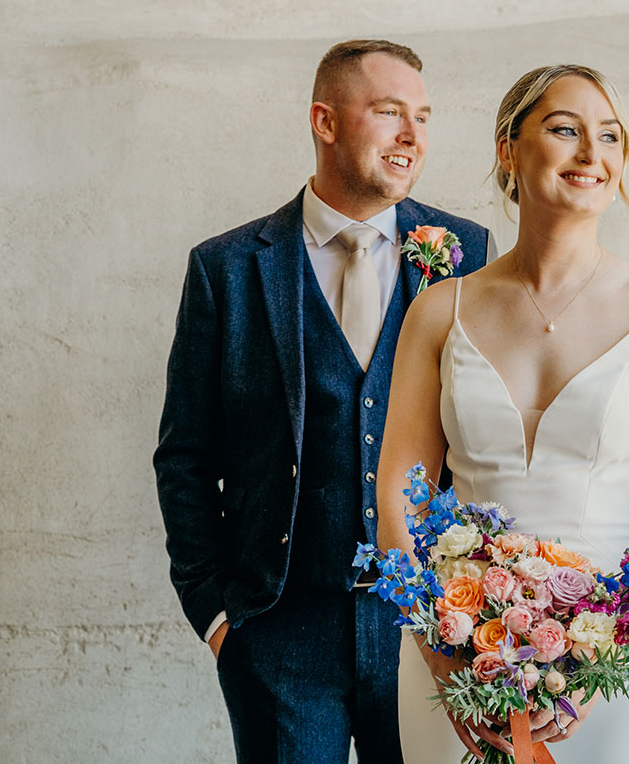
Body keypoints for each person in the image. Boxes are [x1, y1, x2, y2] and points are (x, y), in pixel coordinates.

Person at [375, 64, 629, 762]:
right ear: (509, 149)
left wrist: (604, 652)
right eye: (564, 129)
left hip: (621, 667)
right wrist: (439, 648)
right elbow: (397, 495)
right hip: (462, 661)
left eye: (609, 137)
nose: (591, 155)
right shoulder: (438, 311)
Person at [154, 39, 492, 763]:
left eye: (424, 118)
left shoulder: (467, 252)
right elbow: (185, 455)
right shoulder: (228, 269)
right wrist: (217, 614)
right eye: (389, 113)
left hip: (427, 628)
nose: (412, 137)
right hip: (280, 632)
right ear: (326, 121)